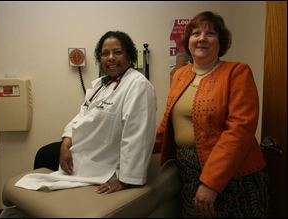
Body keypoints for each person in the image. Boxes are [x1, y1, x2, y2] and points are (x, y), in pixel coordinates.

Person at [154, 11, 268, 218]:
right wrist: (131, 154)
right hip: (188, 173)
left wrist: (211, 183)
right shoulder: (179, 75)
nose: (202, 38)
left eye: (210, 33)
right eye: (196, 33)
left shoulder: (237, 72)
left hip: (232, 176)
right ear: (188, 40)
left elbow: (240, 131)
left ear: (221, 41)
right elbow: (167, 123)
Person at [24, 30, 157, 194]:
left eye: (117, 52)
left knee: (44, 158)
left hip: (104, 160)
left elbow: (138, 135)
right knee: (45, 153)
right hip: (86, 149)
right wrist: (66, 141)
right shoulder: (101, 84)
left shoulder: (138, 85)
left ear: (129, 56)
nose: (110, 58)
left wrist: (125, 179)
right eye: (105, 53)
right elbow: (82, 114)